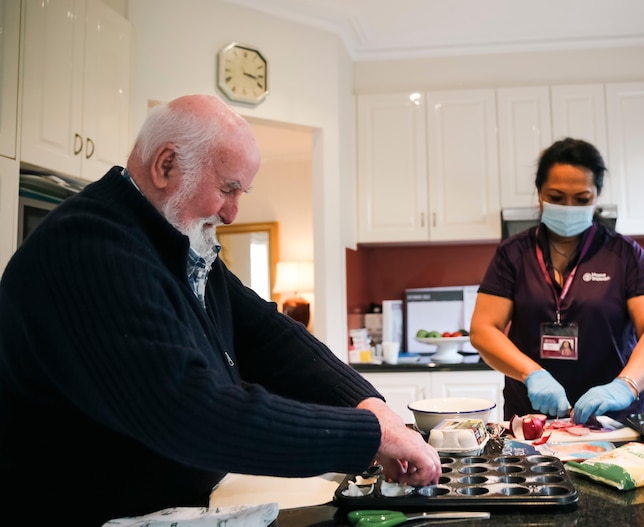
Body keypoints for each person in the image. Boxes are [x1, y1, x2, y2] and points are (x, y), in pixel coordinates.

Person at [0, 95, 441, 525]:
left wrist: (370, 406)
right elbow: (188, 411)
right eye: (228, 189)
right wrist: (369, 436)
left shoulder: (176, 246)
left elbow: (266, 334)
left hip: (173, 506)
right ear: (166, 165)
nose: (232, 213)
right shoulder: (90, 249)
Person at [470, 138, 644, 424]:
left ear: (597, 196)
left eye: (582, 199)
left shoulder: (625, 255)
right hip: (532, 422)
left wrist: (625, 385)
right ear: (539, 193)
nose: (568, 207)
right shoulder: (513, 255)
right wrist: (532, 374)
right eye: (555, 197)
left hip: (613, 422)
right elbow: (483, 329)